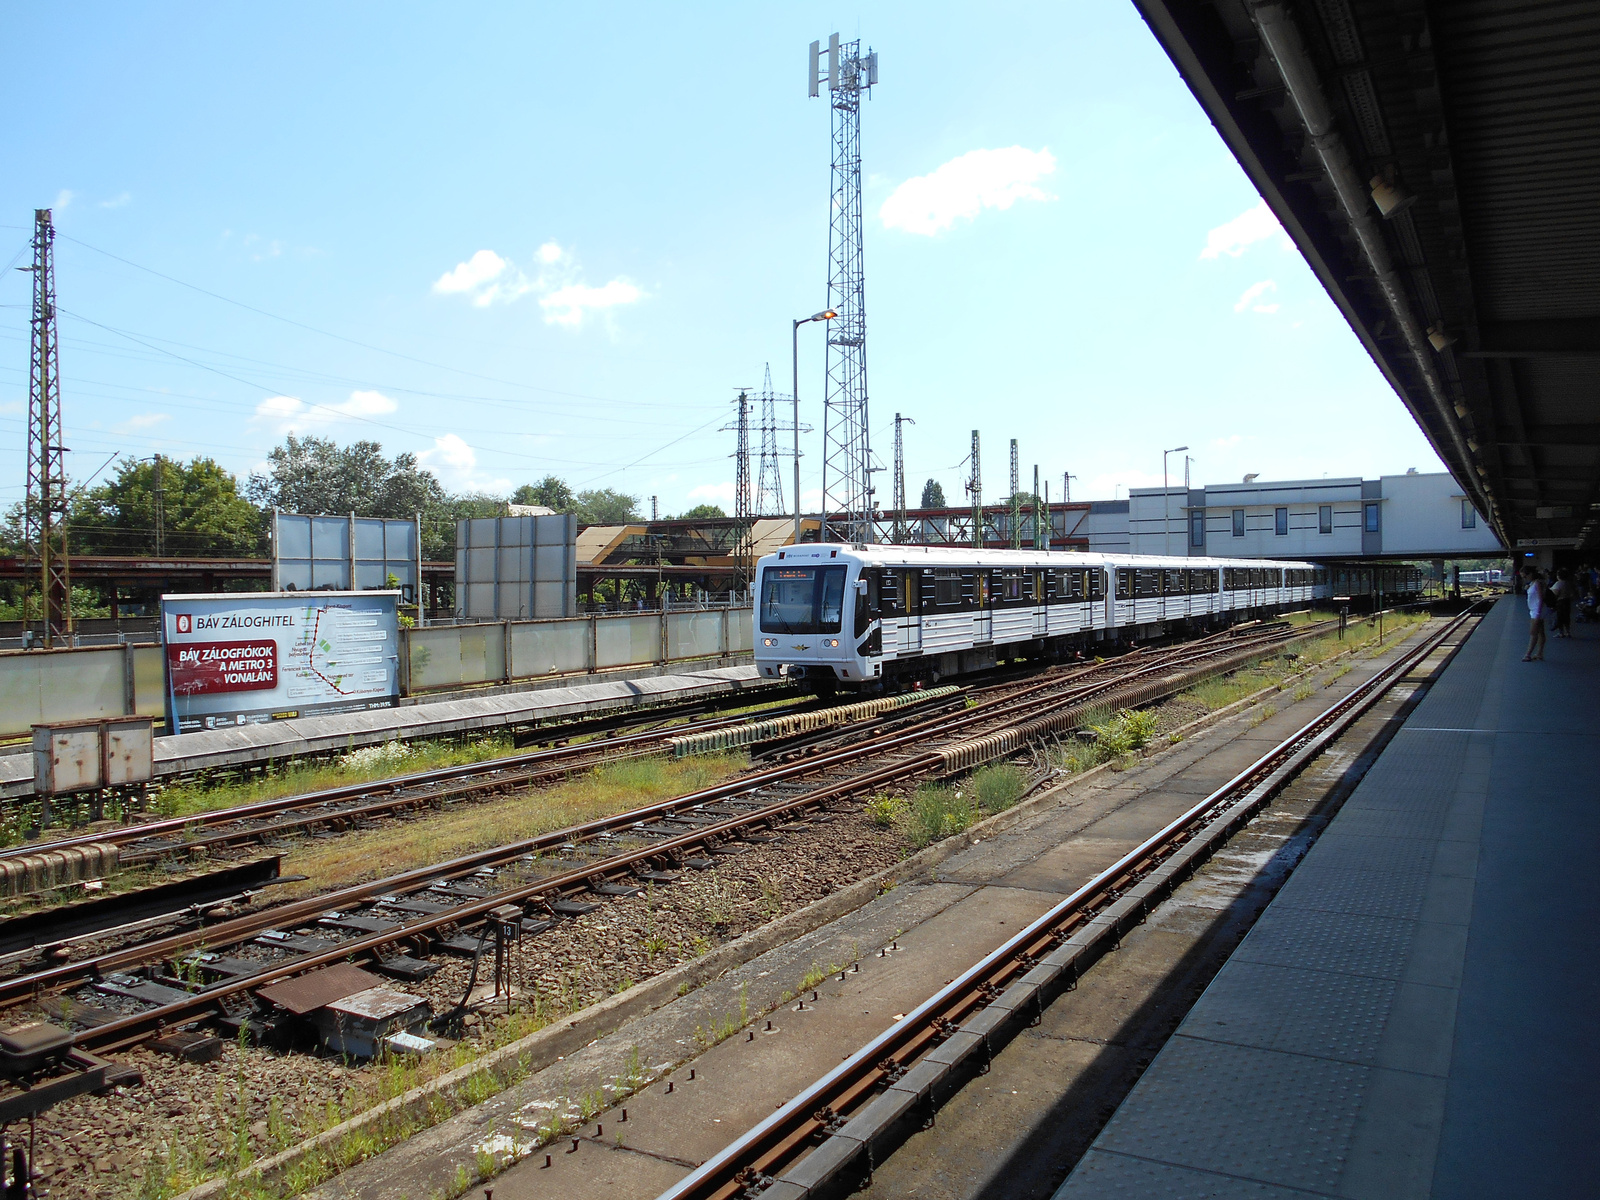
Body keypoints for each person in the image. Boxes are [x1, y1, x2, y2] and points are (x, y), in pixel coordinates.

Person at [1522, 567, 1546, 661]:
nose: (1524, 578)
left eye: (1525, 576)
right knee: (1540, 633)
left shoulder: (1537, 584)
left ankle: (1528, 654)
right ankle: (1539, 653)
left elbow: (1540, 598)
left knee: (1533, 633)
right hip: (1533, 611)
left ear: (1530, 574)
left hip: (1536, 611)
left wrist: (1539, 613)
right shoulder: (1532, 583)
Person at [1550, 568, 1574, 637]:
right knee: (1567, 617)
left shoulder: (1558, 583)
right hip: (1567, 601)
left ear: (1559, 576)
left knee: (1559, 617)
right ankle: (1568, 632)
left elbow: (1556, 593)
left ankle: (1561, 633)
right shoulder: (1568, 583)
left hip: (1560, 602)